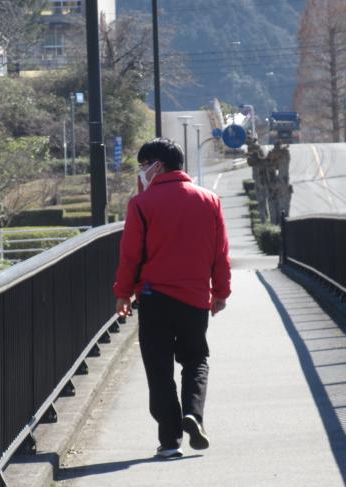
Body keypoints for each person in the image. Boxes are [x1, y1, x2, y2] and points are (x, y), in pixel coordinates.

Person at [113, 138, 231, 459]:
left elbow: (130, 256)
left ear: (158, 166)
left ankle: (169, 441)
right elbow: (220, 253)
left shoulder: (142, 204)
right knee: (195, 360)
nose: (142, 172)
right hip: (194, 297)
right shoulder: (210, 200)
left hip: (155, 297)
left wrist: (123, 293)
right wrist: (220, 292)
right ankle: (193, 414)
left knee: (159, 367)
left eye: (143, 165)